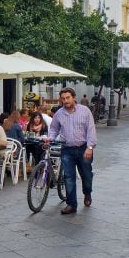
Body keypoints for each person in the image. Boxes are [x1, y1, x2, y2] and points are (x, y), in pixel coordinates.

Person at [43, 87, 97, 215]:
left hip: (84, 148)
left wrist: (90, 147)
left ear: (73, 97)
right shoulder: (59, 114)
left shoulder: (85, 111)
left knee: (87, 175)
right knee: (69, 177)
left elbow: (91, 130)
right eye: (63, 99)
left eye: (67, 98)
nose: (65, 101)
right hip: (67, 148)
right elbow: (54, 129)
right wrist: (50, 137)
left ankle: (87, 193)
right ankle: (71, 204)